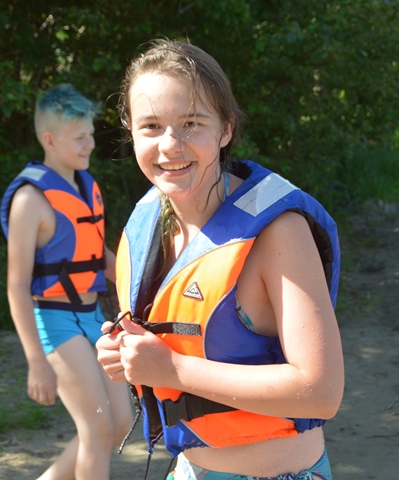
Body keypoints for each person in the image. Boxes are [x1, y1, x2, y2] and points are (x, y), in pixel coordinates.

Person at [96, 39, 344, 480]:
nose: (170, 145)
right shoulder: (147, 226)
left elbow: (321, 392)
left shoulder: (279, 232)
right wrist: (125, 353)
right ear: (130, 131)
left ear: (226, 129)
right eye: (151, 126)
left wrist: (172, 369)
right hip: (188, 470)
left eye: (191, 123)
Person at [0, 83, 133, 480]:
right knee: (97, 429)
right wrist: (36, 362)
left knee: (120, 425)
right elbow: (16, 286)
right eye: (79, 138)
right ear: (50, 140)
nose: (90, 143)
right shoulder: (29, 200)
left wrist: (141, 283)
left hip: (94, 316)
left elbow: (97, 256)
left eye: (90, 134)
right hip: (55, 321)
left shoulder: (85, 185)